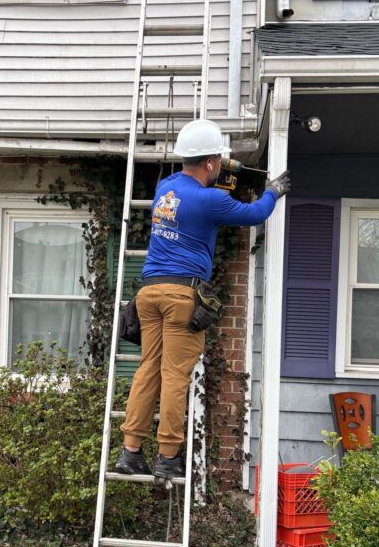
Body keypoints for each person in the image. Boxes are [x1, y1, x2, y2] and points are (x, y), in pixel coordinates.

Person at [113, 119, 290, 479]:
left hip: (148, 293)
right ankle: (167, 457)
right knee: (175, 376)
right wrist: (272, 190)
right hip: (182, 295)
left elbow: (202, 189)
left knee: (148, 369)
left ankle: (130, 452)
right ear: (210, 162)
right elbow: (255, 213)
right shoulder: (211, 200)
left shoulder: (166, 188)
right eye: (218, 162)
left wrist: (227, 176)